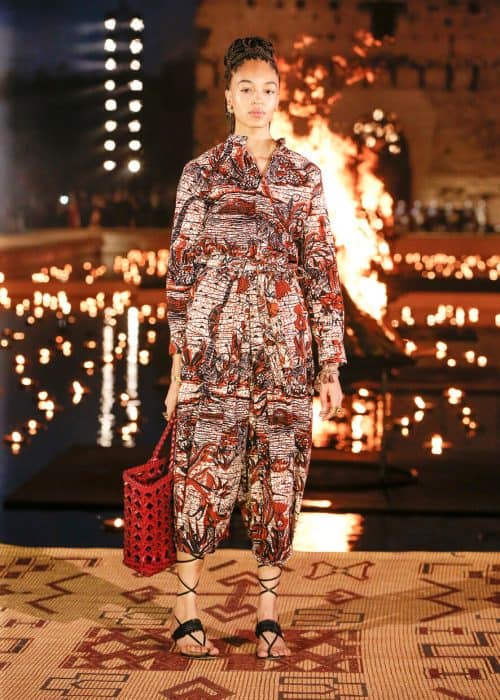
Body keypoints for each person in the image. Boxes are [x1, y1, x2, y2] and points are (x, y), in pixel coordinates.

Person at [164, 36, 346, 660]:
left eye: (268, 89)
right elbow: (181, 273)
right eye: (247, 89)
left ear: (279, 95)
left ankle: (269, 612)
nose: (259, 100)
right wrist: (176, 370)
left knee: (279, 474)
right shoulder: (202, 174)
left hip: (286, 347)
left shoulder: (303, 175)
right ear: (228, 96)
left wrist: (329, 363)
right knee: (202, 472)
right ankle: (186, 608)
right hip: (213, 343)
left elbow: (321, 269)